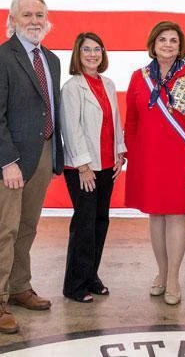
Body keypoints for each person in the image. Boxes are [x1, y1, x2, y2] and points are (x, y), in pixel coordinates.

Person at [0, 0, 63, 334]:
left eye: (39, 15)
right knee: (5, 228)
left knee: (27, 226)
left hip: (42, 154)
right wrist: (8, 162)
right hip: (8, 160)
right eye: (26, 15)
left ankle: (18, 286)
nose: (34, 21)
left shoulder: (52, 60)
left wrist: (56, 155)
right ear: (12, 20)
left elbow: (50, 110)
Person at [125, 21, 185, 306]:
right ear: (153, 44)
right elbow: (132, 121)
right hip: (148, 157)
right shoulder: (139, 78)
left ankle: (173, 276)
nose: (168, 45)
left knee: (176, 215)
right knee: (155, 216)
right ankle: (161, 272)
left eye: (173, 40)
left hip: (182, 158)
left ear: (180, 46)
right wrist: (131, 156)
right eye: (162, 39)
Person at [60, 32, 126, 303]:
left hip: (107, 163)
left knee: (100, 221)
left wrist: (120, 151)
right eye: (86, 49)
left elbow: (115, 120)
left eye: (97, 49)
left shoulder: (107, 83)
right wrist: (84, 166)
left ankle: (91, 276)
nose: (92, 54)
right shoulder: (72, 87)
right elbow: (70, 128)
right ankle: (74, 285)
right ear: (78, 53)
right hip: (82, 167)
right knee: (84, 224)